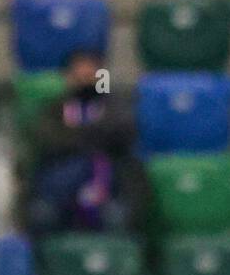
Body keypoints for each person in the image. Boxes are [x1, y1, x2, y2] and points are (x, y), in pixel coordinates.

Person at [26, 48, 145, 235]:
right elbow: (48, 140)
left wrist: (74, 137)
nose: (85, 77)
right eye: (79, 72)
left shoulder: (116, 108)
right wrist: (93, 138)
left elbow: (122, 135)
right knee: (42, 214)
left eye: (91, 73)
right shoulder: (53, 110)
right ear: (68, 77)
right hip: (61, 190)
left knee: (118, 217)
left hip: (109, 189)